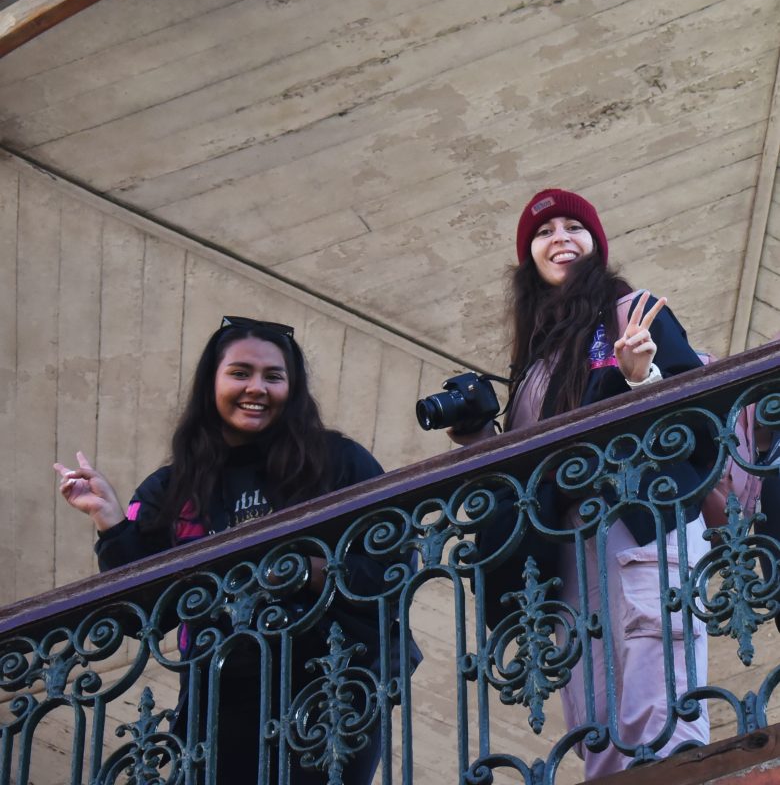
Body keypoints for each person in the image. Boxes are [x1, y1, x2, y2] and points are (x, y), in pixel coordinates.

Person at [54, 316, 400, 785]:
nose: (256, 388)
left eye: (273, 377)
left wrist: (304, 571)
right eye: (240, 373)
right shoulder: (170, 488)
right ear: (211, 383)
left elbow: (392, 566)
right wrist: (110, 521)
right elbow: (143, 613)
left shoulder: (338, 461)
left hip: (330, 691)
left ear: (292, 389)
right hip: (216, 702)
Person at [449, 188, 712, 778]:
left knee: (657, 695)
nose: (560, 238)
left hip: (639, 521)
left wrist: (640, 379)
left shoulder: (633, 313)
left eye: (574, 227)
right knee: (596, 709)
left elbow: (703, 421)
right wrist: (474, 440)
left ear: (596, 244)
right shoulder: (536, 360)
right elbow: (529, 471)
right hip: (567, 547)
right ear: (528, 258)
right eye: (544, 232)